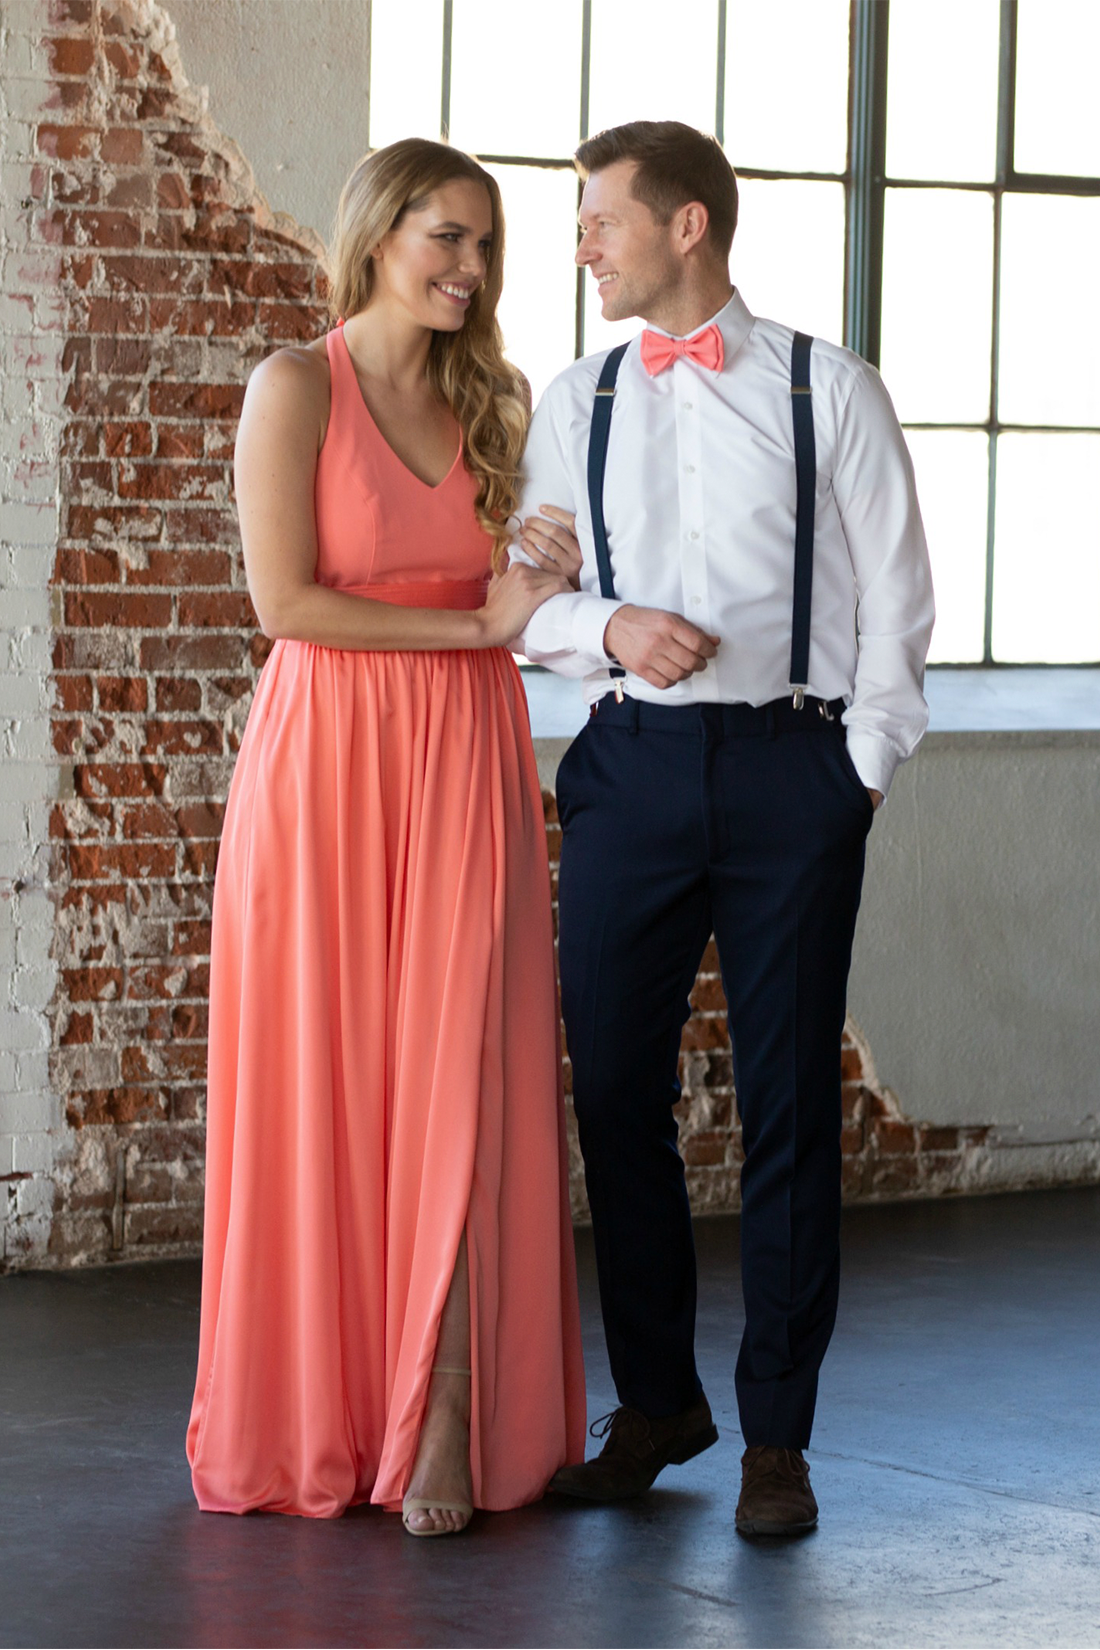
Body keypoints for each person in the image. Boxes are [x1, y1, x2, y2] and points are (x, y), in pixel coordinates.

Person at [512, 120, 934, 1538]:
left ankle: (778, 1437)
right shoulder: (578, 399)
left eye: (599, 220)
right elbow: (527, 601)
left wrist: (856, 771)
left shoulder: (833, 388)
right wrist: (606, 622)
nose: (581, 245)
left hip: (787, 776)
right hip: (627, 767)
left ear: (687, 226)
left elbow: (897, 603)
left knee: (788, 1111)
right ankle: (656, 1402)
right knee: (616, 1092)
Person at [186, 138, 587, 1535]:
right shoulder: (293, 387)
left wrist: (545, 577)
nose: (470, 269)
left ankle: (448, 1417)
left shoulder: (504, 401)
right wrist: (475, 623)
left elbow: (529, 587)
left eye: (487, 245)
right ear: (375, 234)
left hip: (466, 757)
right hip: (329, 763)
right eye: (445, 237)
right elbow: (284, 603)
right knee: (332, 1081)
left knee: (461, 1079)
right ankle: (330, 1406)